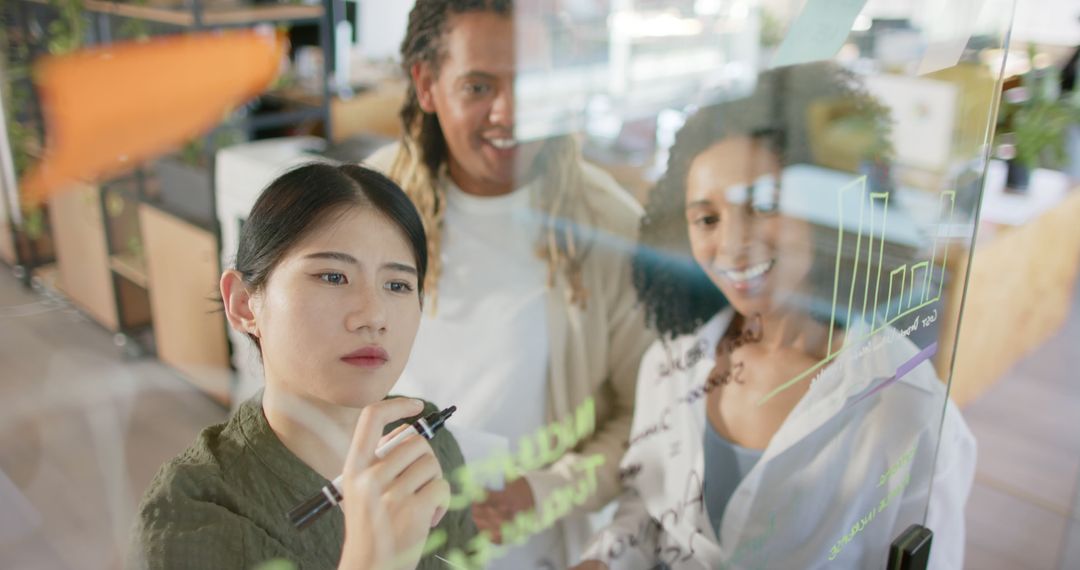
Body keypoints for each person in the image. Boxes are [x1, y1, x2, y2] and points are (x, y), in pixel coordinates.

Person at [574, 64, 976, 569]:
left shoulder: (907, 413)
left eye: (765, 205)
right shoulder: (671, 363)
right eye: (707, 218)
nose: (733, 245)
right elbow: (649, 512)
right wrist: (602, 561)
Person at [364, 1, 656, 568]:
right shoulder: (369, 201)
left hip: (526, 552)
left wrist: (544, 489)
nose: (511, 112)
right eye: (478, 86)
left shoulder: (608, 228)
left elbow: (643, 419)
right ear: (426, 84)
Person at [130, 163, 476, 569]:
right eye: (333, 276)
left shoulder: (423, 439)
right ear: (244, 303)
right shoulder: (192, 515)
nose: (373, 315)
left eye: (398, 285)